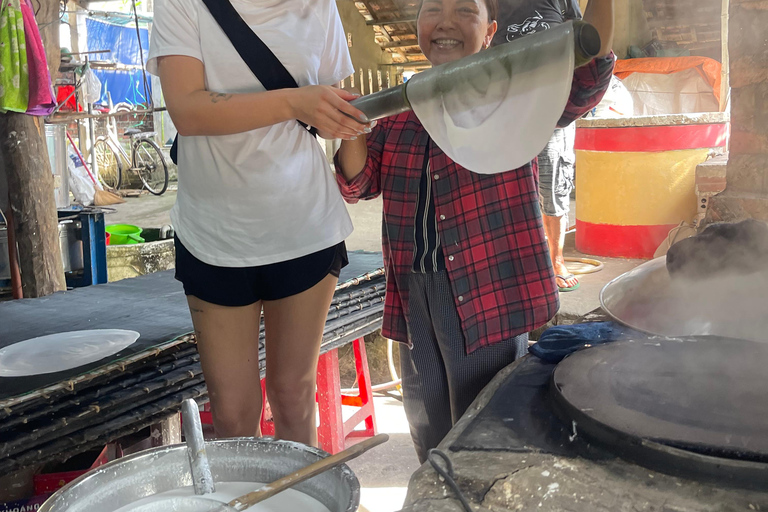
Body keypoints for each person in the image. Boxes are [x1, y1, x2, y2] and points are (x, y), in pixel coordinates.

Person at [335, 0, 614, 462]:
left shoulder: (518, 95)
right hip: (414, 291)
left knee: (486, 429)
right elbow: (360, 182)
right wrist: (351, 125)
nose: (446, 21)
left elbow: (589, 70)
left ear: (491, 32)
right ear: (418, 25)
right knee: (428, 426)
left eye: (466, 9)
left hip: (488, 291)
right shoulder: (401, 110)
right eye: (433, 9)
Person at [147, 0, 372, 446]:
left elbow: (340, 112)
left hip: (305, 223)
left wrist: (349, 135)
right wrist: (295, 102)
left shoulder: (319, 5)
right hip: (214, 235)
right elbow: (188, 111)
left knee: (294, 396)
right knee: (233, 415)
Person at [493, 0, 615, 292]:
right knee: (505, 192)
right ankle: (514, 266)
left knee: (553, 189)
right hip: (505, 108)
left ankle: (555, 259)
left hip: (554, 106)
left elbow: (588, 44)